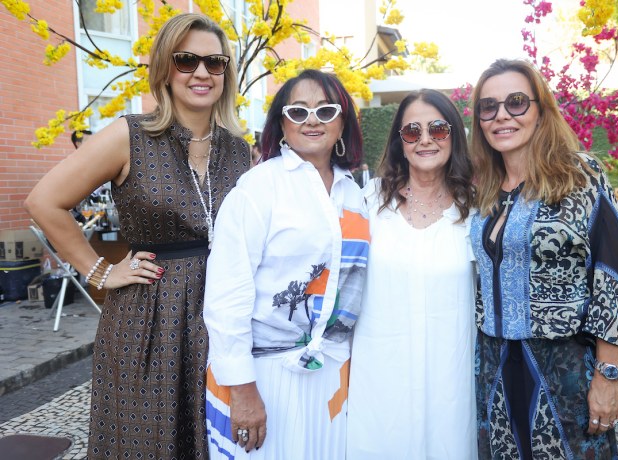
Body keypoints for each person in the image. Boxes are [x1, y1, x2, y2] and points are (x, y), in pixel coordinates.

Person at [24, 13, 249, 458]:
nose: (201, 72)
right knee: (146, 442)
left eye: (214, 62)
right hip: (148, 317)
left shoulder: (239, 150)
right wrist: (100, 271)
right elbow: (44, 201)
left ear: (226, 72)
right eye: (186, 60)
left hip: (220, 313)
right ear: (165, 68)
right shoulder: (130, 136)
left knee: (213, 437)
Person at [203, 69, 369, 459]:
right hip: (264, 375)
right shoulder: (259, 188)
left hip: (332, 370)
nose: (312, 120)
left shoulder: (354, 193)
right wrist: (242, 389)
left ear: (343, 122)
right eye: (298, 111)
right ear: (281, 123)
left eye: (326, 111)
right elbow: (227, 295)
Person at [469, 59, 618, 459]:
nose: (502, 115)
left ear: (541, 110)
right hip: (495, 365)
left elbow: (610, 277)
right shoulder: (483, 189)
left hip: (564, 365)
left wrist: (608, 376)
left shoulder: (580, 175)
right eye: (488, 107)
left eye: (517, 102)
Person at [347, 89, 477, 459]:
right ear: (398, 142)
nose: (424, 139)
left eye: (437, 129)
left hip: (450, 383)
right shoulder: (367, 203)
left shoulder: (477, 209)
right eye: (412, 131)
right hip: (379, 382)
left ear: (454, 135)